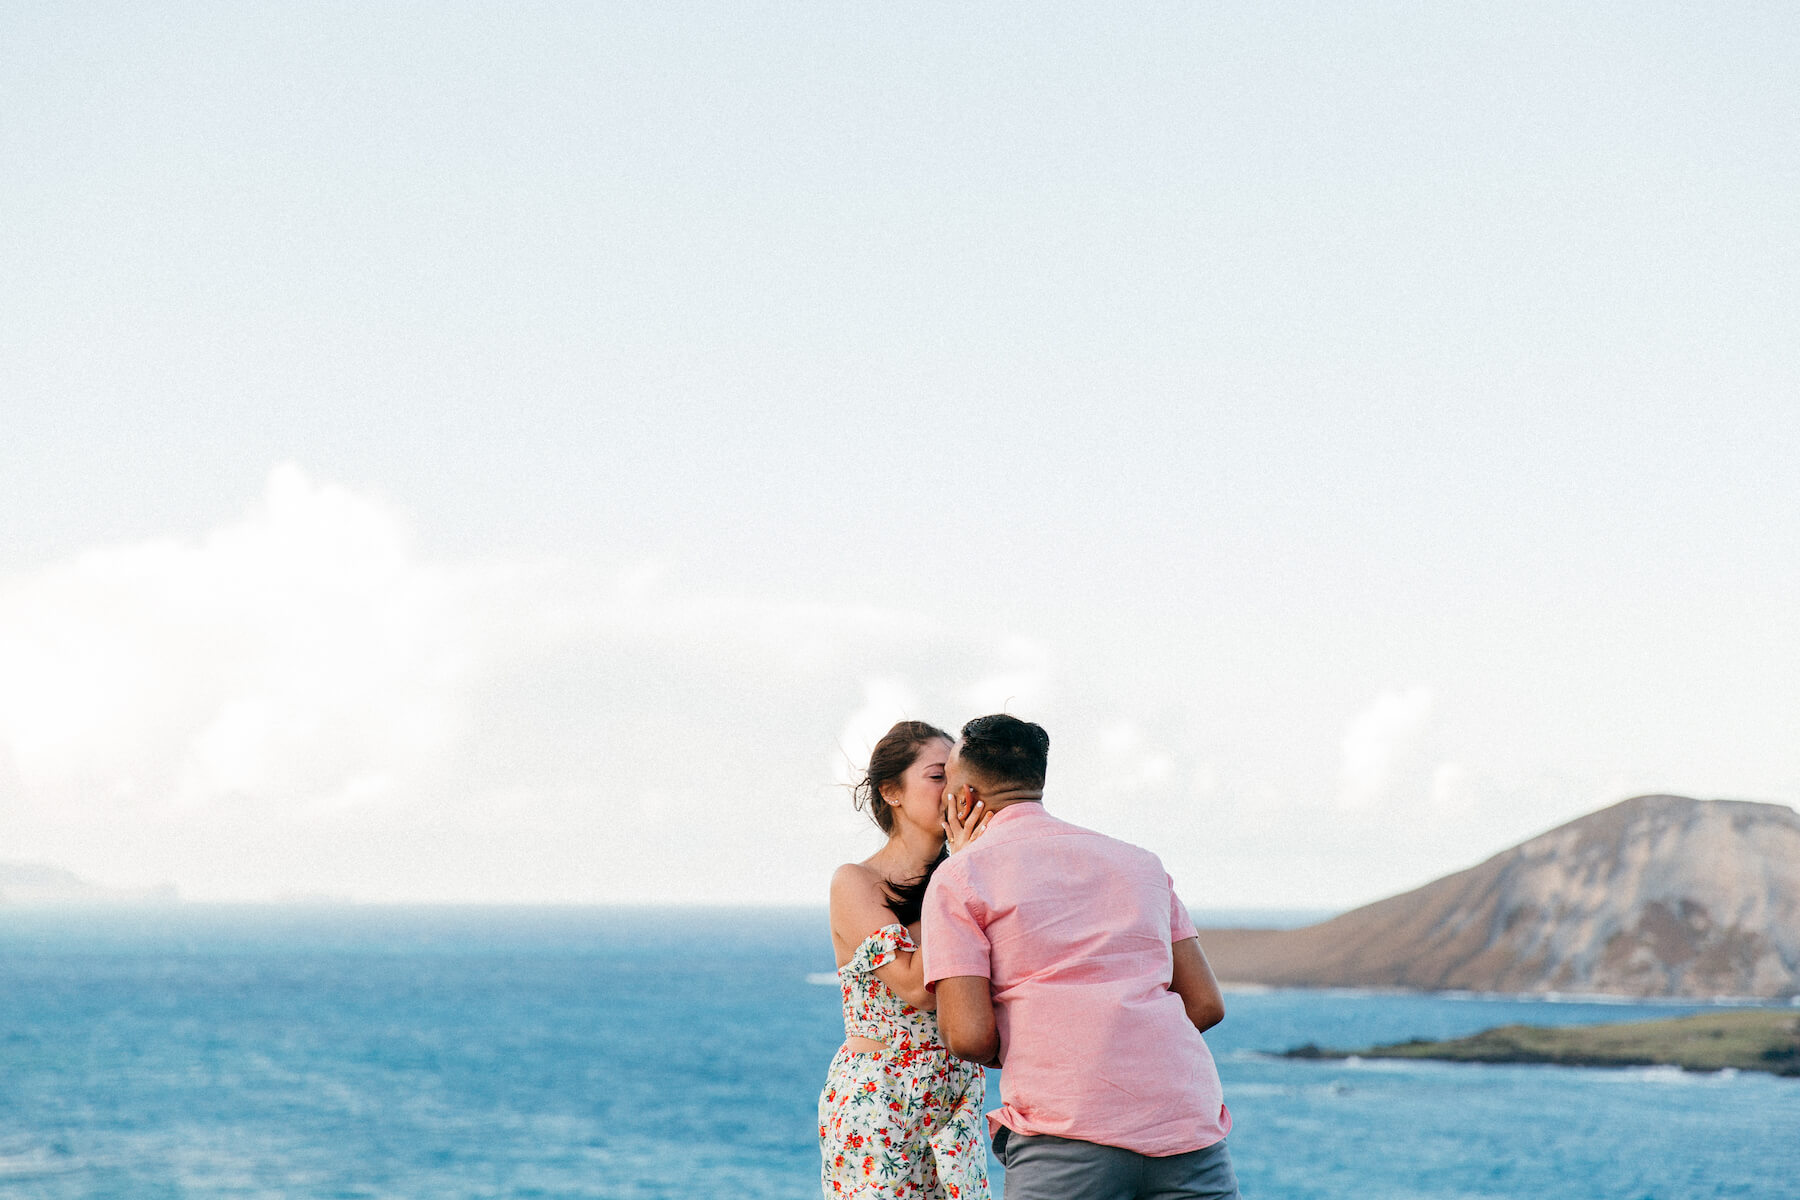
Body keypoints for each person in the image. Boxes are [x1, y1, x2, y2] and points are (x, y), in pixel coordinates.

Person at [922, 714, 1239, 1200]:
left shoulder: (962, 877)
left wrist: (1055, 1053)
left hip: (1066, 1131)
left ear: (963, 799)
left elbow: (968, 1035)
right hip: (1186, 1126)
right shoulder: (1140, 863)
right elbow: (1205, 1005)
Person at [818, 720, 996, 1199]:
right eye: (938, 776)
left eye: (959, 776)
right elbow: (918, 987)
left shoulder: (967, 877)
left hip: (955, 1099)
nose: (954, 790)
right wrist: (961, 869)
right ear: (891, 791)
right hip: (881, 1099)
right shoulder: (855, 882)